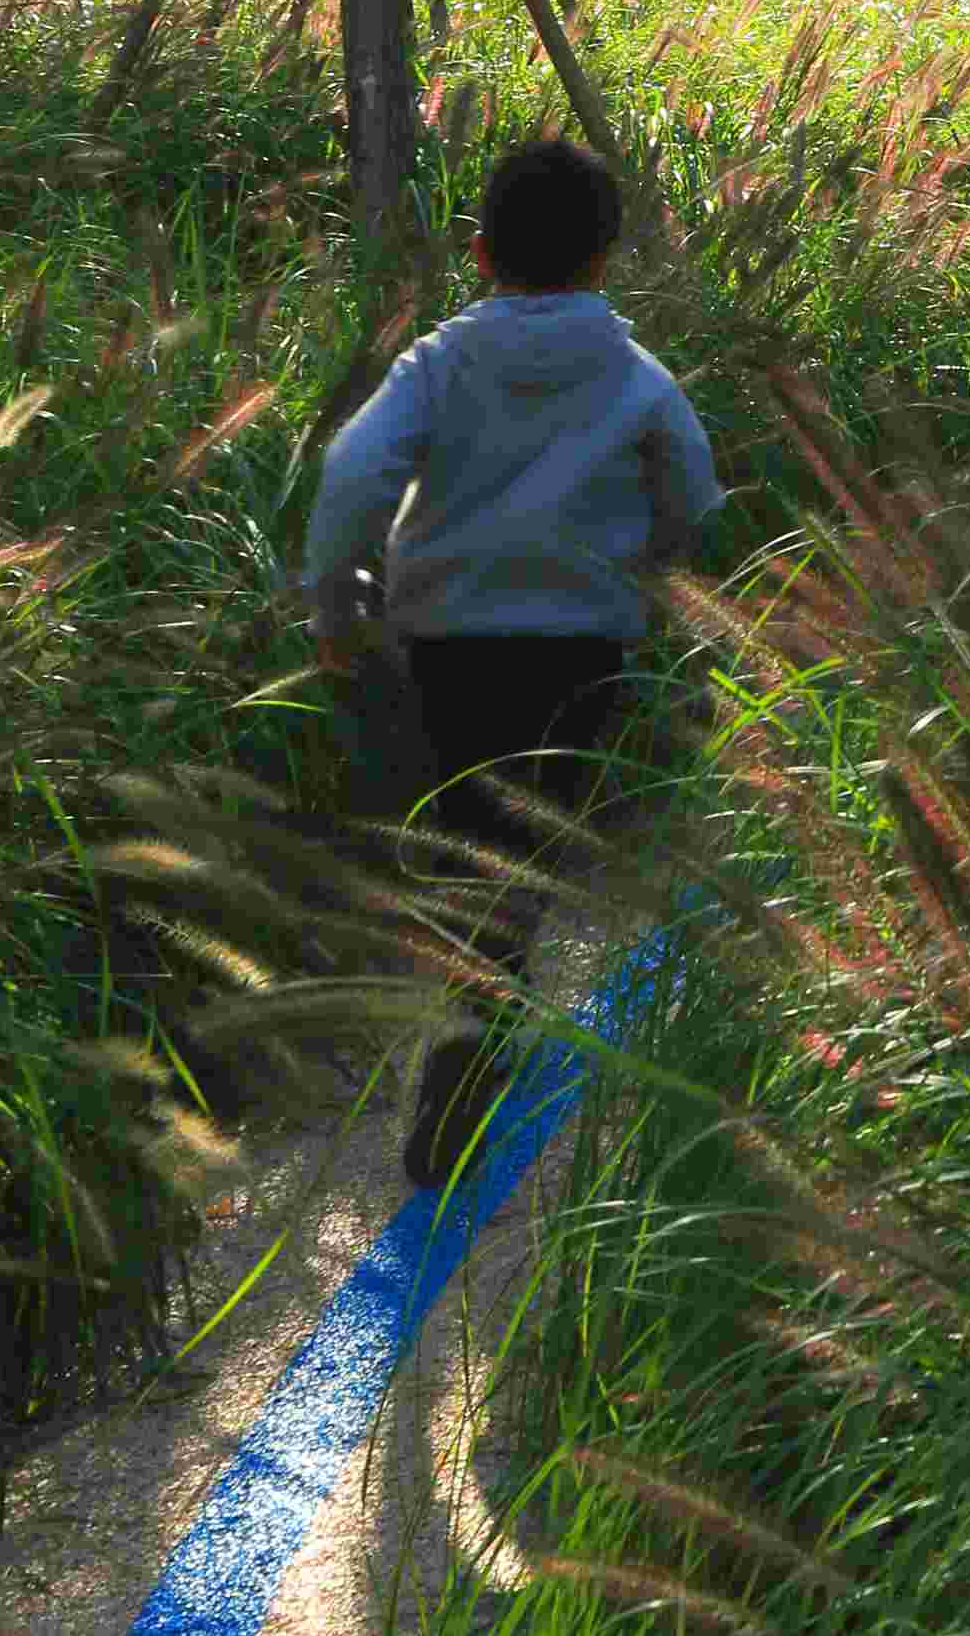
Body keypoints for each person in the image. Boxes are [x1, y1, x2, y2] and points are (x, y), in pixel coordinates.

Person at [301, 135, 724, 1194]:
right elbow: (694, 493)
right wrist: (660, 575)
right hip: (580, 650)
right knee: (526, 863)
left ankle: (463, 1029)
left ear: (481, 253)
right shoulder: (634, 375)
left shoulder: (439, 362)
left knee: (463, 841)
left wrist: (337, 599)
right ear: (603, 261)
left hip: (445, 648)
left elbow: (354, 473)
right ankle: (470, 1048)